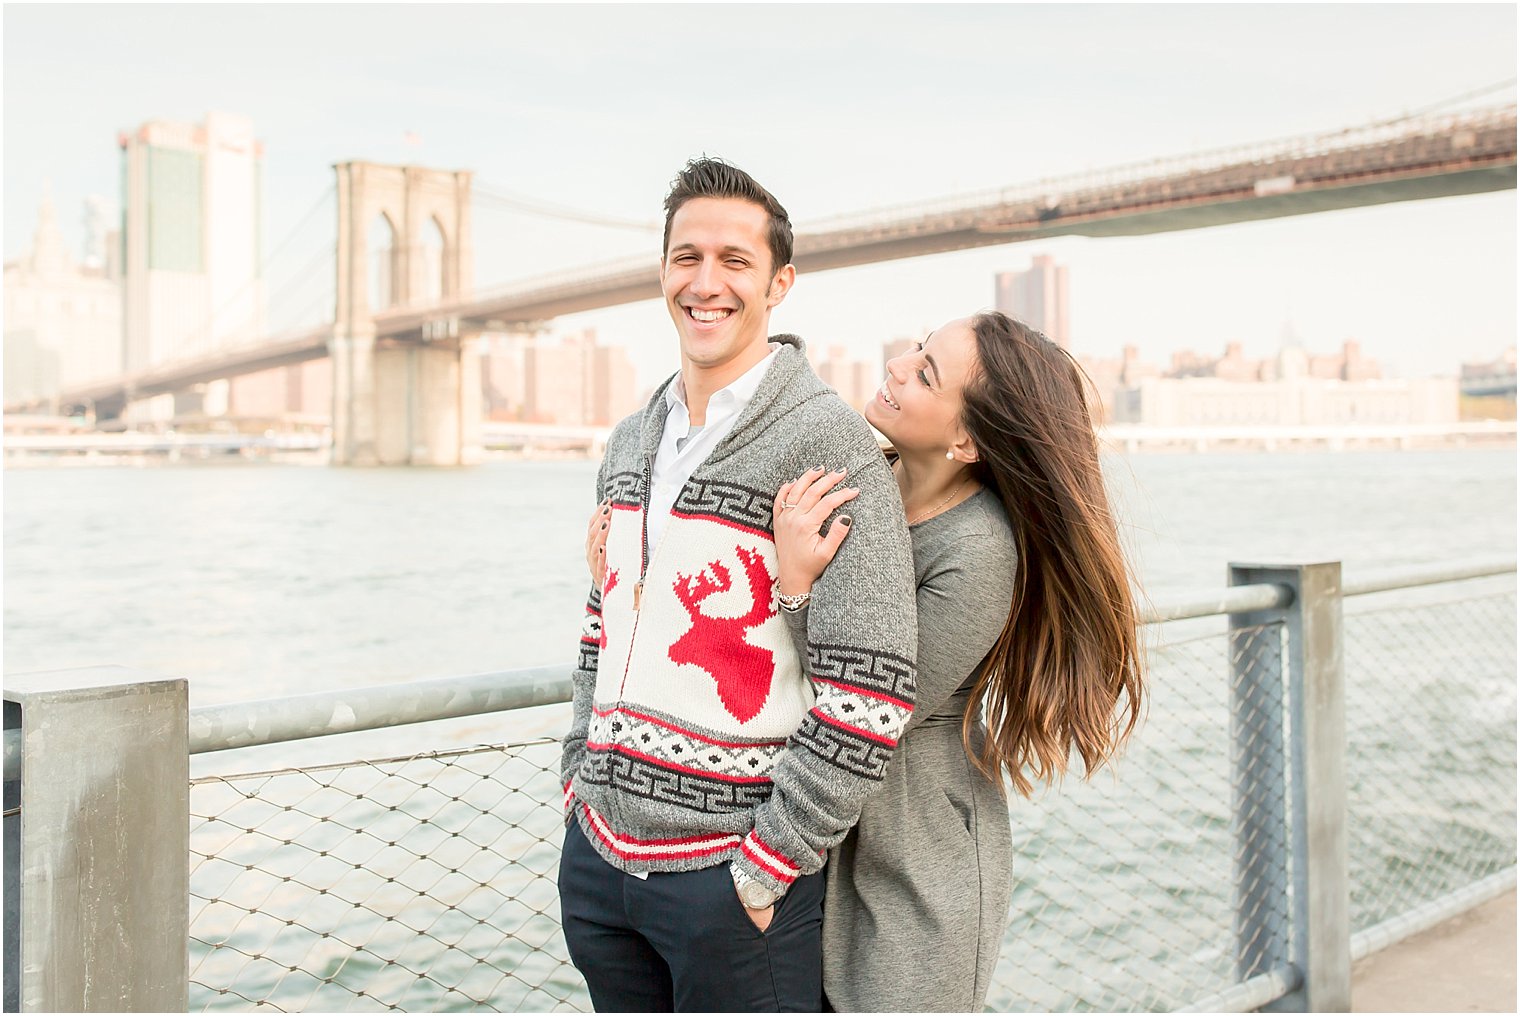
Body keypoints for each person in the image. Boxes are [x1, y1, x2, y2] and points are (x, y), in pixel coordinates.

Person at [588, 311, 1145, 1011]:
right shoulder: (855, 482)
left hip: (909, 864)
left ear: (967, 437)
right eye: (917, 347)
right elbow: (718, 585)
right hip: (814, 836)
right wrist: (624, 572)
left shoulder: (978, 550)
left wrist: (795, 590)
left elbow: (866, 702)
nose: (899, 365)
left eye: (926, 373)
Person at [557, 157, 919, 1013]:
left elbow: (871, 692)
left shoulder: (825, 443)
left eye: (734, 260)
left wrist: (765, 867)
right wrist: (579, 785)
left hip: (730, 884)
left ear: (779, 282)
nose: (705, 283)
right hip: (601, 871)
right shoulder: (629, 442)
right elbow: (599, 630)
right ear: (663, 271)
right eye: (687, 257)